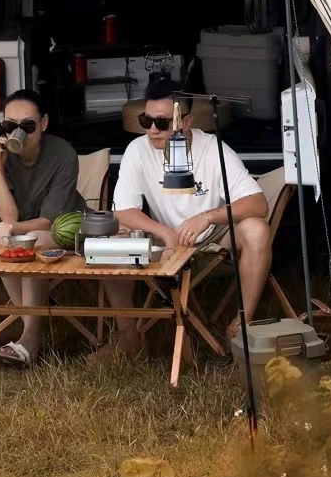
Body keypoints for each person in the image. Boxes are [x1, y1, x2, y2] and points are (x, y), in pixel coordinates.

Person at [101, 79, 271, 356]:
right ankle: (127, 335)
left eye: (163, 123)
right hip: (165, 241)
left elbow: (257, 203)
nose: (153, 130)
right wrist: (163, 232)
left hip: (213, 242)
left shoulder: (213, 149)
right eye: (146, 120)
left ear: (186, 121)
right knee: (111, 240)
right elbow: (123, 210)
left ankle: (242, 327)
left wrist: (207, 217)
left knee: (256, 229)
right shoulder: (138, 149)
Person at [0, 88, 84, 367]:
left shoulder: (62, 153)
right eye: (10, 126)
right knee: (7, 237)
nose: (20, 134)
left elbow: (49, 222)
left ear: (43, 124)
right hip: (21, 230)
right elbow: (8, 215)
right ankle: (33, 333)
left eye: (27, 126)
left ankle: (30, 339)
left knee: (28, 240)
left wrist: (10, 231)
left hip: (63, 230)